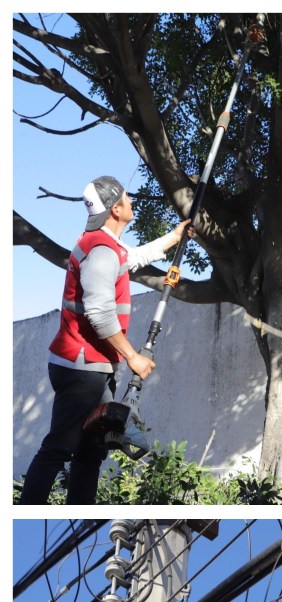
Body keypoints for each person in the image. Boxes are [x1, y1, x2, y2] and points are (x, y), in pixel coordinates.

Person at [19, 176, 191, 504]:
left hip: (88, 365)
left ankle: (78, 512)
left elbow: (133, 257)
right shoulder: (100, 251)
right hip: (81, 367)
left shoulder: (103, 244)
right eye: (127, 198)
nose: (131, 201)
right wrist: (133, 357)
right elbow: (99, 314)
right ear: (115, 208)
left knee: (89, 452)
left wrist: (174, 237)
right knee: (59, 448)